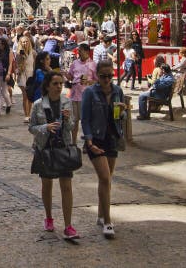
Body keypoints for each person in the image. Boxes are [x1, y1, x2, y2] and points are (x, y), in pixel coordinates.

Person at [29, 72, 78, 239]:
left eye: (61, 83)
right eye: (55, 83)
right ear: (48, 86)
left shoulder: (67, 102)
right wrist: (45, 127)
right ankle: (49, 217)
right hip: (45, 148)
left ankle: (68, 225)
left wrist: (68, 119)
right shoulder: (38, 105)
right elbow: (32, 127)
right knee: (47, 183)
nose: (59, 87)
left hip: (62, 147)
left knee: (66, 186)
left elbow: (71, 127)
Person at [81, 59, 126, 238]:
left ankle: (100, 214)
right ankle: (107, 222)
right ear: (97, 76)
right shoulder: (90, 93)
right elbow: (84, 119)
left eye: (110, 76)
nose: (107, 79)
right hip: (96, 139)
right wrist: (89, 140)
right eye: (103, 76)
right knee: (105, 178)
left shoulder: (118, 91)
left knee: (106, 180)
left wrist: (123, 112)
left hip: (112, 138)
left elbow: (121, 116)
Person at [65, 43, 96, 145]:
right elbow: (70, 76)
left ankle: (87, 144)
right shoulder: (75, 63)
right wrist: (65, 74)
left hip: (86, 97)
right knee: (74, 121)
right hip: (74, 95)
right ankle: (73, 142)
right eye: (78, 51)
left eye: (80, 51)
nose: (78, 53)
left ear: (87, 51)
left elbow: (97, 80)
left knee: (86, 121)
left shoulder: (92, 64)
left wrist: (89, 82)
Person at [15, 36, 36, 123]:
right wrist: (22, 58)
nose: (25, 43)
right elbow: (19, 67)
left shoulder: (33, 53)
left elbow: (35, 65)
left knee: (30, 96)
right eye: (23, 42)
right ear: (20, 43)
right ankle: (26, 115)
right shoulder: (18, 54)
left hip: (31, 75)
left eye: (26, 42)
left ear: (29, 42)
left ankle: (29, 114)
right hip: (22, 75)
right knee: (25, 96)